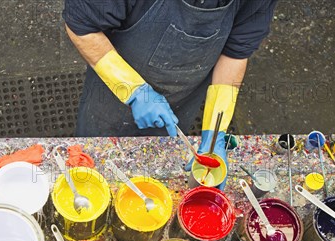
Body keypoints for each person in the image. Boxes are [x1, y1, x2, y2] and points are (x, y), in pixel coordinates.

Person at [63, 0, 278, 185]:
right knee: (93, 158)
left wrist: (215, 134)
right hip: (111, 95)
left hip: (184, 97)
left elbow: (236, 52)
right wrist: (135, 91)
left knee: (159, 160)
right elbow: (81, 26)